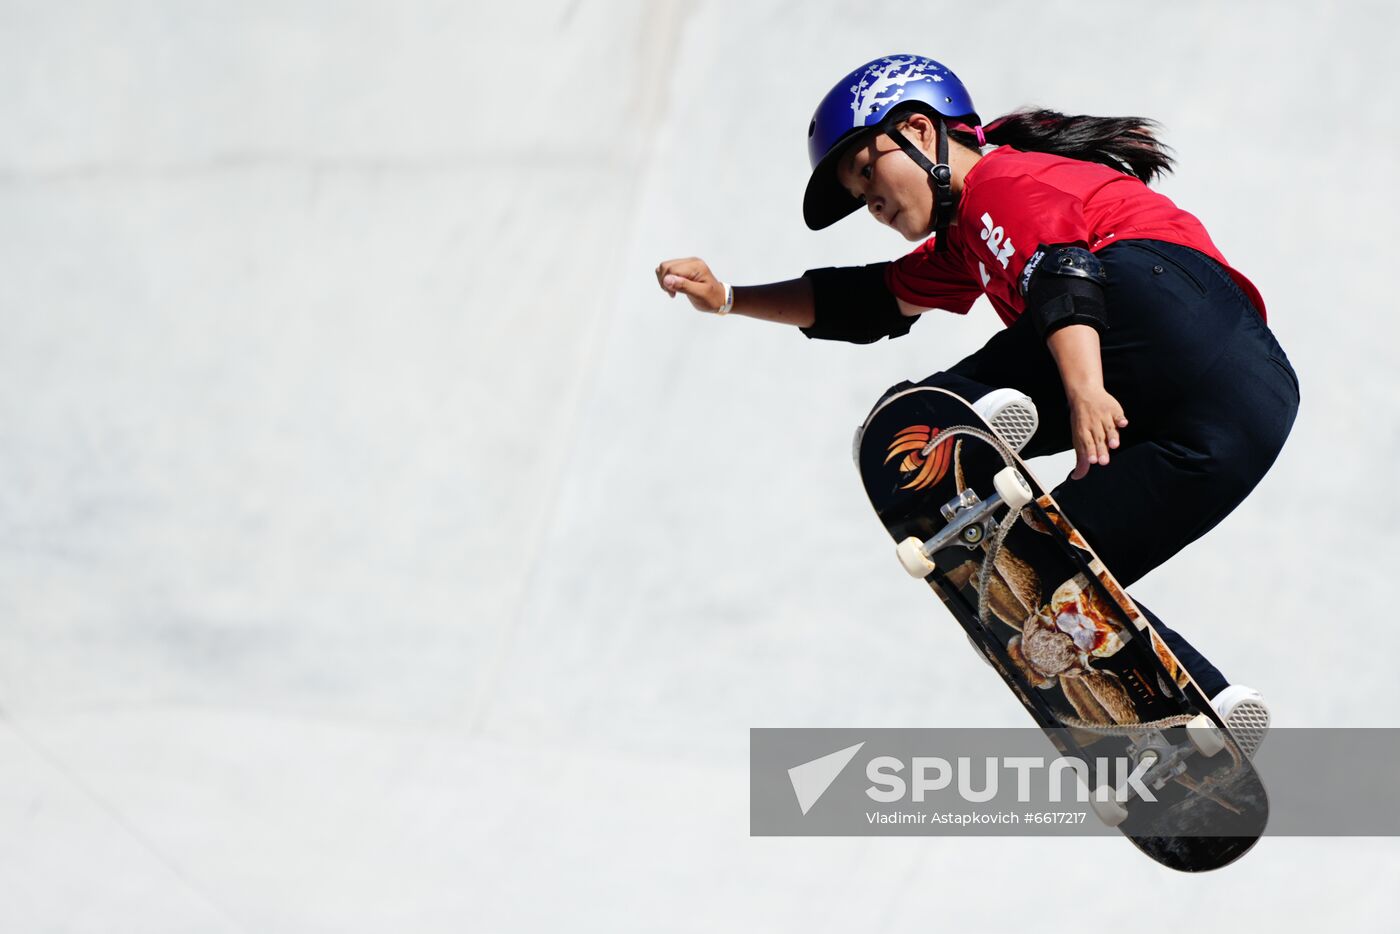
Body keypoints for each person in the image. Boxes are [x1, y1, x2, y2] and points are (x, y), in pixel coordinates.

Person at [654, 54, 1296, 758]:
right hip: (1251, 404)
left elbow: (1064, 270)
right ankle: (1204, 711)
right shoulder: (966, 246)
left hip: (1159, 306)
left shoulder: (1000, 179)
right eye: (858, 196)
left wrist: (1082, 389)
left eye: (869, 172)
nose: (872, 202)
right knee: (1039, 574)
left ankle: (981, 417)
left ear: (923, 132)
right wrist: (731, 300)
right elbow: (868, 302)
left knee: (923, 411)